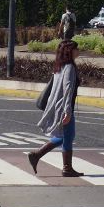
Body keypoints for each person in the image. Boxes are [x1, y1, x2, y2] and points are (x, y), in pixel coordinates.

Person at [29, 41, 82, 176]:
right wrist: (67, 111)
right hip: (64, 107)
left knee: (66, 136)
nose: (78, 51)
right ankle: (65, 167)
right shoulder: (69, 67)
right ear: (70, 51)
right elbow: (68, 89)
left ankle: (39, 155)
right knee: (67, 136)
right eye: (76, 48)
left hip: (60, 106)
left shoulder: (60, 66)